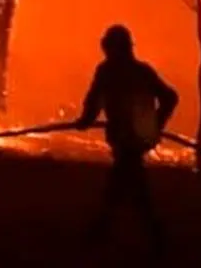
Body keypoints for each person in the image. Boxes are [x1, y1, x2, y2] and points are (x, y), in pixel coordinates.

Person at [74, 23, 178, 256]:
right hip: (133, 141)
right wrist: (154, 127)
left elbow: (94, 102)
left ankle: (106, 232)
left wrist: (85, 120)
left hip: (128, 141)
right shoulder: (141, 71)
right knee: (128, 184)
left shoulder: (109, 71)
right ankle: (113, 231)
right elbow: (170, 98)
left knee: (127, 187)